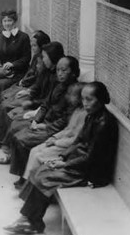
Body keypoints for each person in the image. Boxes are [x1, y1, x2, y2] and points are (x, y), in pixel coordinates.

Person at [4, 82, 119, 235]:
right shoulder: (92, 116)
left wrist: (65, 164)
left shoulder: (104, 123)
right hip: (80, 162)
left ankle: (31, 222)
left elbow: (91, 157)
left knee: (45, 177)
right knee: (43, 168)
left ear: (101, 99)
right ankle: (28, 218)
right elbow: (78, 141)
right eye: (83, 99)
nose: (85, 103)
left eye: (89, 99)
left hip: (92, 173)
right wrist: (61, 157)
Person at [8, 56, 80, 186]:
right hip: (45, 123)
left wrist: (47, 127)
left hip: (55, 130)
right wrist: (36, 119)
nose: (60, 73)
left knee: (23, 140)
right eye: (58, 70)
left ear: (73, 72)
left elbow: (66, 120)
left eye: (64, 70)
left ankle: (25, 179)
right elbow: (46, 104)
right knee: (19, 134)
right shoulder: (58, 85)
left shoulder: (75, 92)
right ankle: (23, 175)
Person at [0, 42, 64, 149]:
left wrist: (31, 102)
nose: (43, 59)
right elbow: (38, 86)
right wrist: (29, 91)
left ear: (52, 57)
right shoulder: (48, 70)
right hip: (36, 99)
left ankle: (2, 140)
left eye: (45, 57)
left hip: (38, 105)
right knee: (5, 101)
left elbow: (47, 100)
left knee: (6, 107)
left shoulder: (57, 78)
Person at [20, 82, 87, 189]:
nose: (68, 97)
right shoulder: (77, 110)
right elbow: (68, 130)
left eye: (72, 95)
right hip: (61, 141)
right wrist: (54, 137)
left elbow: (75, 139)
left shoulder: (85, 115)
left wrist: (56, 142)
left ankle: (30, 186)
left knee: (39, 156)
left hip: (68, 148)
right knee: (34, 150)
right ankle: (26, 181)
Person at [0, 10, 31, 121]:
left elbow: (26, 58)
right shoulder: (1, 37)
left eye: (9, 20)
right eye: (4, 21)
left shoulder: (23, 37)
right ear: (2, 22)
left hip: (19, 73)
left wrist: (13, 64)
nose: (7, 23)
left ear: (15, 21)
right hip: (6, 72)